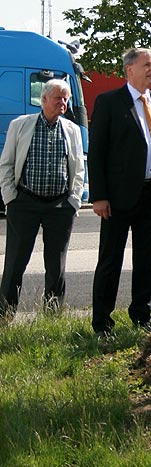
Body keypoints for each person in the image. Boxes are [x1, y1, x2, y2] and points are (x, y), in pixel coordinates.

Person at [89, 48, 151, 336]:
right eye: (147, 65)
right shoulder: (109, 102)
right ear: (129, 70)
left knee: (146, 259)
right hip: (118, 197)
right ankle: (102, 322)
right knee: (111, 259)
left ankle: (142, 317)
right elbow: (97, 152)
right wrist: (99, 195)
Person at [0, 79, 84, 318]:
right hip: (24, 203)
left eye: (66, 98)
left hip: (59, 206)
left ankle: (52, 317)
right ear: (43, 100)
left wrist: (73, 201)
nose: (63, 102)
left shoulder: (72, 130)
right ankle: (4, 316)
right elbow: (5, 164)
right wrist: (11, 199)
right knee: (15, 262)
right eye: (58, 97)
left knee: (56, 265)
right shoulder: (21, 125)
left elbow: (78, 169)